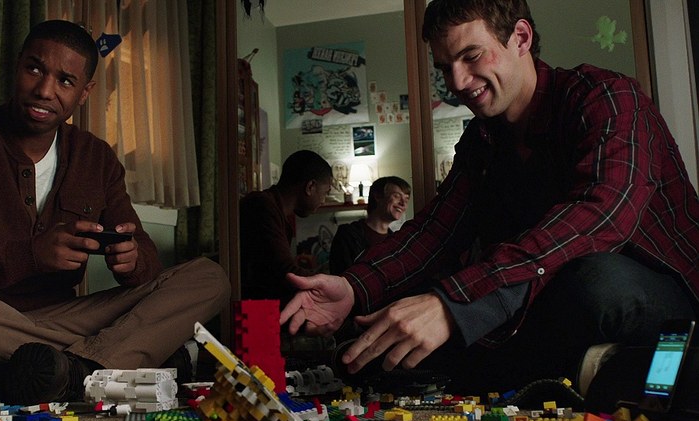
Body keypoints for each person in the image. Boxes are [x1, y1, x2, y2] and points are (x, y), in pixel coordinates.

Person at [280, 0, 699, 394]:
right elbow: (435, 233)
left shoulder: (608, 98)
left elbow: (601, 215)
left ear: (521, 37)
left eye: (472, 56)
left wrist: (456, 304)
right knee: (395, 347)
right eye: (445, 68)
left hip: (657, 296)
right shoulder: (481, 140)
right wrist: (354, 286)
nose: (457, 83)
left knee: (594, 280)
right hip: (545, 303)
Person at [0, 20, 230, 404]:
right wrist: (31, 255)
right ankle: (97, 366)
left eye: (65, 81)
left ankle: (65, 371)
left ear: (85, 93)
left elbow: (146, 262)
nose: (45, 90)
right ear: (17, 66)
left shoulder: (96, 158)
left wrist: (132, 261)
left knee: (209, 277)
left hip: (67, 317)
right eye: (35, 69)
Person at [239, 150, 333, 306]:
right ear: (310, 187)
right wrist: (333, 281)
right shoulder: (261, 206)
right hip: (251, 308)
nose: (323, 201)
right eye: (325, 193)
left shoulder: (273, 208)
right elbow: (287, 274)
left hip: (260, 304)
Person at [329, 176, 411, 275]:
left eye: (406, 199)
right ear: (378, 196)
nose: (403, 204)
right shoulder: (348, 235)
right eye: (396, 196)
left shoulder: (395, 241)